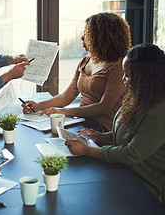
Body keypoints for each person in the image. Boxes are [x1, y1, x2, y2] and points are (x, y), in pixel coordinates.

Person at [65, 43, 165, 204]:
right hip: (123, 170)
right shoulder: (142, 96)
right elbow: (131, 131)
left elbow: (132, 153)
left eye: (128, 75)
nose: (123, 79)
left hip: (145, 183)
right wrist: (102, 136)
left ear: (146, 77)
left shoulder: (159, 113)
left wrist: (88, 151)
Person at [22, 12, 131, 132]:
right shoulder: (85, 61)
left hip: (103, 128)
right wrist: (38, 106)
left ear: (102, 38)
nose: (82, 37)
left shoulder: (118, 68)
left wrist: (64, 111)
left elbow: (103, 108)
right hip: (82, 120)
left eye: (87, 34)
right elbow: (67, 96)